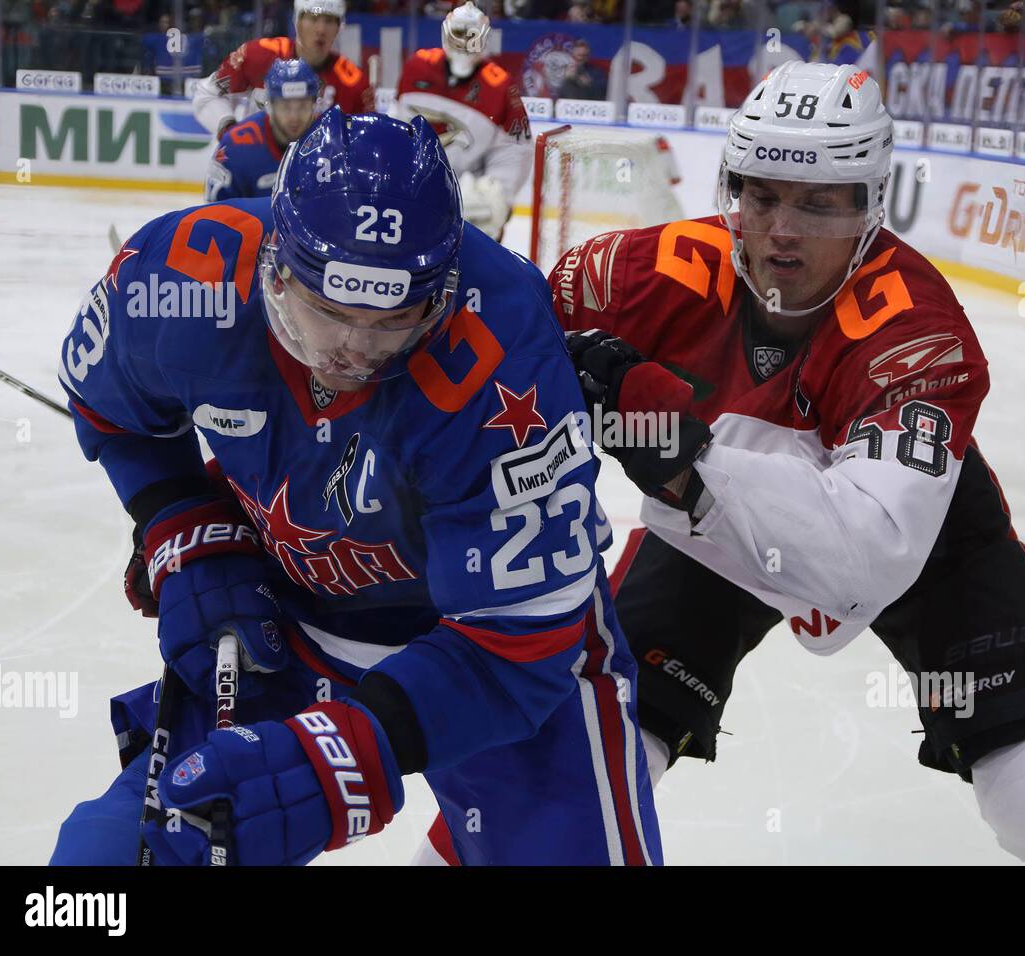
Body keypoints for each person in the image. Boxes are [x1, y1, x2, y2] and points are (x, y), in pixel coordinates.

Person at [424, 61, 1025, 865]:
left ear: (869, 205)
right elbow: (491, 340)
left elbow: (863, 554)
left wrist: (685, 460)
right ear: (734, 192)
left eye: (818, 203)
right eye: (763, 196)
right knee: (559, 769)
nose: (782, 228)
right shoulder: (648, 274)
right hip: (710, 532)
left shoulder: (919, 334)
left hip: (918, 540)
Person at [51, 108, 661, 867]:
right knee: (110, 863)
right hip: (285, 616)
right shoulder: (185, 276)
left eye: (391, 321)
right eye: (327, 312)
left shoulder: (507, 345)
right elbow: (112, 411)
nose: (350, 352)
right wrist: (182, 527)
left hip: (485, 648)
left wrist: (345, 754)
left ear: (438, 292)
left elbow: (521, 635)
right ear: (277, 264)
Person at [396, 1, 532, 240]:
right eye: (459, 34)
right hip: (411, 197)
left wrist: (497, 195)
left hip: (465, 206)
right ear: (445, 32)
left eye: (471, 35)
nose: (464, 41)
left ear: (484, 37)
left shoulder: (499, 85)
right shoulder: (417, 67)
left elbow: (515, 149)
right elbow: (396, 127)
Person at [192, 0, 373, 141]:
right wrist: (229, 130)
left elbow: (366, 140)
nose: (320, 29)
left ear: (339, 28)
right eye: (313, 18)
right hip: (259, 172)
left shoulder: (354, 83)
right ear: (297, 21)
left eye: (329, 20)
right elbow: (205, 95)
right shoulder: (258, 55)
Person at [205, 59, 320, 202]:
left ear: (314, 105)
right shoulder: (235, 147)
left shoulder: (331, 140)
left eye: (302, 106)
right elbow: (216, 215)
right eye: (285, 106)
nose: (294, 117)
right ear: (270, 105)